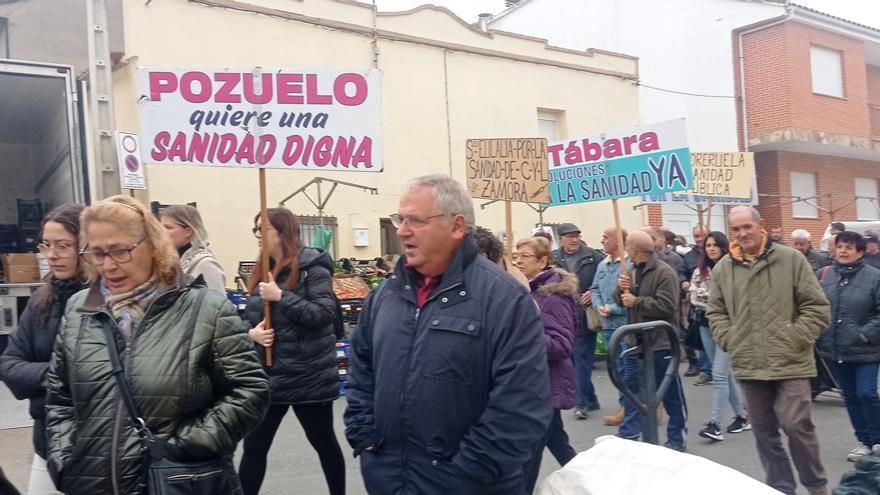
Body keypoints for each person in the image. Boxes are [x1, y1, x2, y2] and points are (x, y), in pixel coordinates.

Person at [44, 195, 269, 495]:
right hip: (92, 483)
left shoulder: (206, 309)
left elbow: (249, 391)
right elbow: (60, 398)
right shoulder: (78, 309)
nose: (108, 265)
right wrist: (65, 460)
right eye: (97, 253)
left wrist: (187, 444)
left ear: (152, 245)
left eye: (120, 251)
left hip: (177, 481)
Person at [344, 174, 551, 494]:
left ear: (456, 226)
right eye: (401, 219)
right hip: (388, 479)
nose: (401, 230)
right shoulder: (385, 295)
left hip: (470, 484)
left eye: (415, 220)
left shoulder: (505, 299)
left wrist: (466, 473)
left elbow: (521, 405)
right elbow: (362, 372)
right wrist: (368, 441)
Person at [708, 206, 831, 495]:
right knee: (764, 434)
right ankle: (781, 488)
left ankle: (817, 487)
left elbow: (817, 307)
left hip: (790, 360)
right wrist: (730, 338)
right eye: (735, 229)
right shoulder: (724, 267)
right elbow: (715, 311)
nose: (741, 234)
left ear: (759, 225)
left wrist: (795, 337)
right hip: (748, 361)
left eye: (746, 227)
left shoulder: (790, 259)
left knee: (796, 426)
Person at [238, 207, 346, 495]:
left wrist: (280, 297)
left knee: (324, 443)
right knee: (255, 447)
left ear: (283, 232)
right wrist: (253, 334)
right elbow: (251, 317)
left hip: (307, 375)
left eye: (264, 229)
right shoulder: (262, 269)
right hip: (270, 376)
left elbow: (323, 314)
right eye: (256, 229)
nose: (258, 235)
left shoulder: (313, 267)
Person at [0, 205, 86, 495]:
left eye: (63, 245)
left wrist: (40, 378)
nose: (51, 255)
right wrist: (55, 376)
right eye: (46, 245)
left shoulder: (107, 301)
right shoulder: (41, 299)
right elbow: (9, 365)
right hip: (46, 440)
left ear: (85, 247)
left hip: (94, 446)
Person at [514, 237, 578, 493]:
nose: (518, 260)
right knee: (558, 443)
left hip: (546, 384)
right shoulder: (527, 291)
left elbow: (562, 345)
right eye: (516, 255)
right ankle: (589, 482)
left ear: (543, 261)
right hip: (536, 384)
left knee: (529, 454)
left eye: (525, 256)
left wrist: (523, 336)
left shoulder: (553, 297)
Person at [614, 230, 688, 452]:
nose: (625, 248)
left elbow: (666, 306)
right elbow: (621, 301)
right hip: (638, 343)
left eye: (627, 245)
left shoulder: (665, 273)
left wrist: (636, 300)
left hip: (661, 342)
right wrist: (621, 289)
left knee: (670, 392)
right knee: (638, 391)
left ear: (634, 249)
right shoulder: (632, 272)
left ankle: (677, 437)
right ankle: (639, 433)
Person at [816, 231, 880, 461]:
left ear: (860, 252)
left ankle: (878, 439)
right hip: (836, 348)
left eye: (849, 247)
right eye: (840, 246)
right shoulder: (824, 275)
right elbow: (815, 307)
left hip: (868, 349)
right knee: (851, 396)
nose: (843, 251)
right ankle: (864, 441)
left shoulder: (874, 277)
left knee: (867, 393)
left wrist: (863, 335)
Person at [689, 231, 750, 442]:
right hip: (705, 324)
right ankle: (742, 416)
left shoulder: (732, 268)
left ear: (723, 247)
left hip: (727, 326)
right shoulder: (700, 270)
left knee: (719, 374)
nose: (711, 248)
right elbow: (695, 296)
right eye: (708, 245)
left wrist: (709, 297)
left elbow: (727, 298)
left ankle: (715, 423)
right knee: (726, 375)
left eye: (715, 245)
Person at [552, 222, 602, 418]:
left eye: (576, 235)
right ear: (561, 239)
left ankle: (580, 403)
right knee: (572, 359)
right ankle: (591, 398)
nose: (574, 239)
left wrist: (593, 291)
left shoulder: (593, 256)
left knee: (581, 359)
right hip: (564, 314)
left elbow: (604, 279)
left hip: (584, 314)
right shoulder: (554, 258)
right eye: (569, 236)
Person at [589, 227, 630, 427]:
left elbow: (631, 296)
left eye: (606, 237)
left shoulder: (628, 264)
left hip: (625, 325)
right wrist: (598, 306)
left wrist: (612, 308)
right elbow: (594, 288)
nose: (602, 240)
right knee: (615, 369)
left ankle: (627, 407)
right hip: (607, 325)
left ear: (618, 241)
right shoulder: (603, 265)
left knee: (627, 369)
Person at [159, 204, 227, 293]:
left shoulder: (206, 264)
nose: (161, 232)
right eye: (160, 227)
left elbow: (218, 304)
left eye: (168, 227)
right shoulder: (172, 261)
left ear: (188, 231)